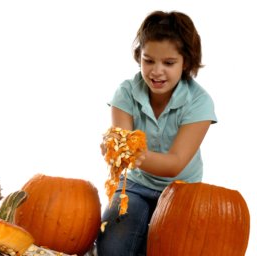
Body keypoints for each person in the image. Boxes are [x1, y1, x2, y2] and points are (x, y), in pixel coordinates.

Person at [96, 10, 217, 256]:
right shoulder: (126, 93)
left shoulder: (200, 102)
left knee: (172, 249)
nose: (156, 71)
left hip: (181, 191)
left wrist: (131, 154)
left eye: (168, 63)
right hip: (135, 186)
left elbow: (175, 164)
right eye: (148, 60)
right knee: (112, 248)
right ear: (139, 57)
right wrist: (113, 148)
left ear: (186, 63)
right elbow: (120, 143)